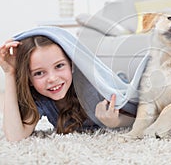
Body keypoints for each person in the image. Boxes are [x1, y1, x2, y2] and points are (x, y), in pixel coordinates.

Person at [0, 35, 134, 141]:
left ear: (71, 64)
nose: (52, 79)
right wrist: (10, 73)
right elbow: (15, 136)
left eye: (59, 66)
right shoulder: (41, 99)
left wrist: (117, 121)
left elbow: (139, 116)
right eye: (39, 73)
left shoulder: (94, 88)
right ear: (28, 79)